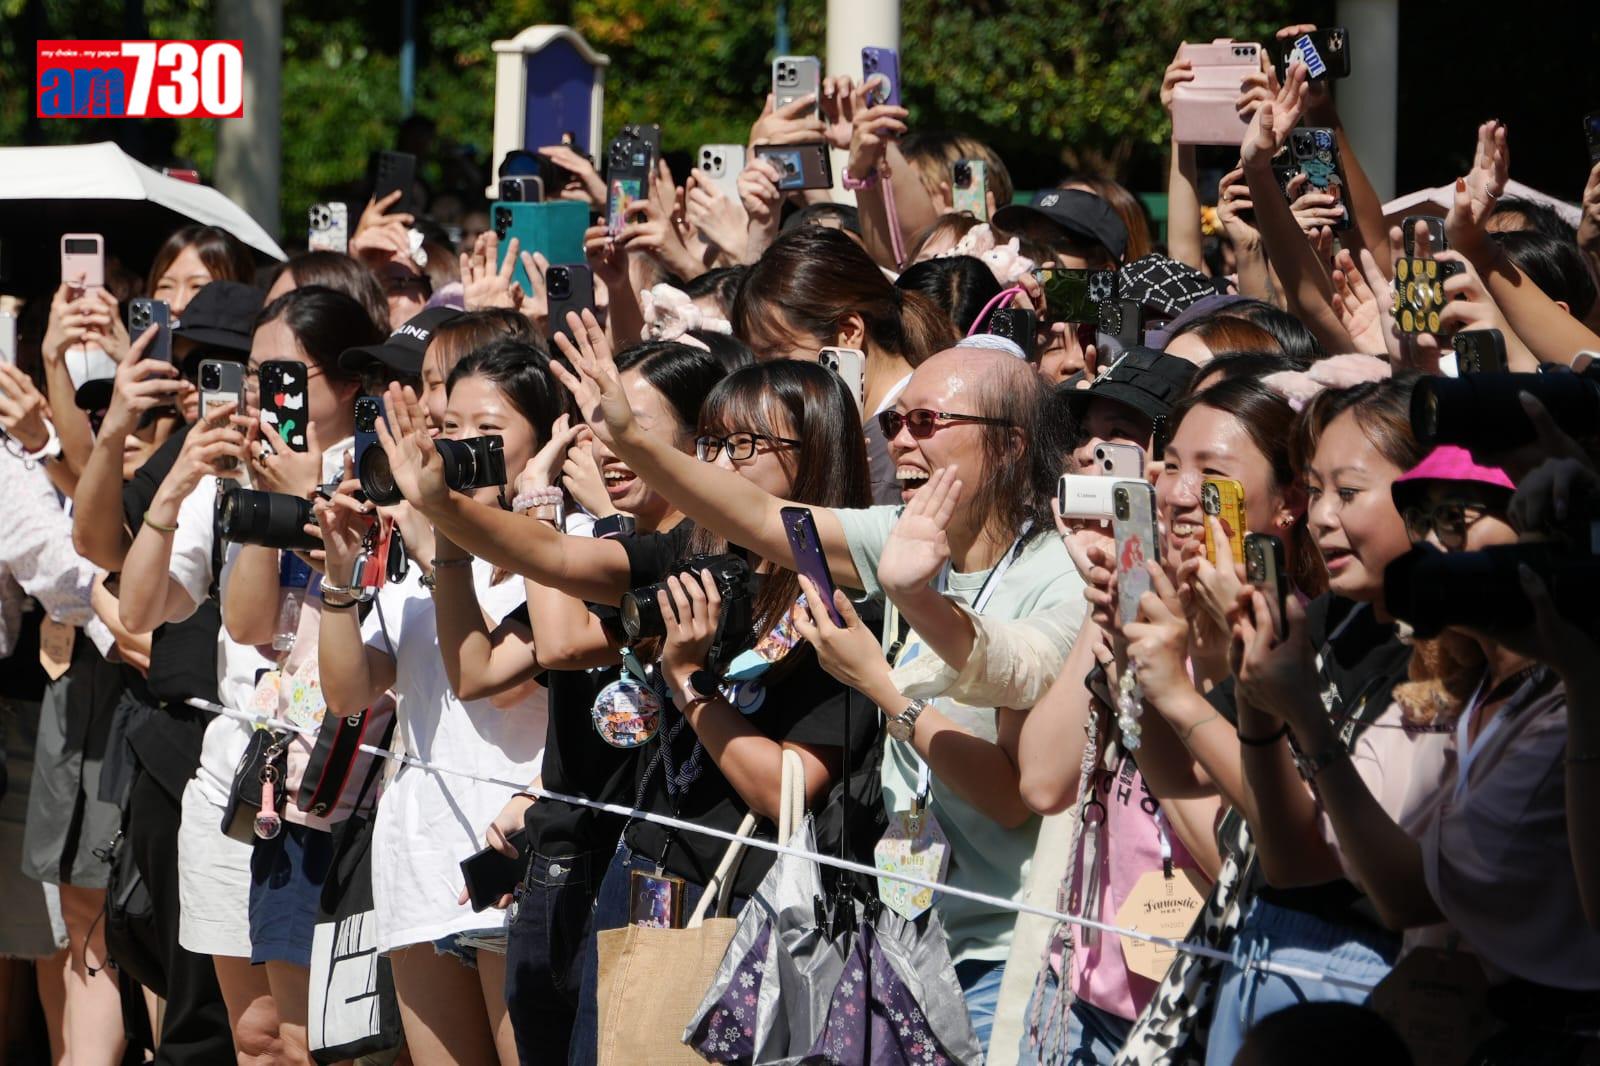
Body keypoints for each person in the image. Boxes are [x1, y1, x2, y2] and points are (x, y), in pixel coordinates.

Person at [552, 314, 1085, 1052]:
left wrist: (885, 687)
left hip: (1004, 949)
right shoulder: (905, 533)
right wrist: (635, 443)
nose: (900, 441)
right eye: (893, 421)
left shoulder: (1059, 575)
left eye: (926, 423)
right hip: (904, 938)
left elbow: (1010, 791)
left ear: (1012, 444)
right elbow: (763, 517)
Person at [114, 286, 379, 1062]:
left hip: (338, 790)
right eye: (255, 375)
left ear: (350, 380)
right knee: (258, 1037)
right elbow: (146, 608)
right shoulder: (229, 473)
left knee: (321, 1041)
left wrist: (289, 497)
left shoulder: (377, 477)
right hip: (234, 783)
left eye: (285, 376)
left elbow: (261, 622)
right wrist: (179, 483)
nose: (264, 394)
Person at [315, 340, 558, 1066]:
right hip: (418, 858)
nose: (460, 446)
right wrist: (339, 577)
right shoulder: (426, 546)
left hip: (507, 853)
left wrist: (436, 546)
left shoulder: (555, 547)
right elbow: (350, 691)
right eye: (449, 427)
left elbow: (502, 682)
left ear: (543, 438)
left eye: (488, 429)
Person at [731, 225, 956, 502]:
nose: (767, 385)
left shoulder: (896, 444)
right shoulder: (883, 428)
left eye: (778, 361)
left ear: (849, 333)